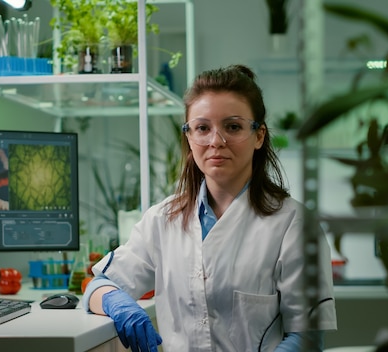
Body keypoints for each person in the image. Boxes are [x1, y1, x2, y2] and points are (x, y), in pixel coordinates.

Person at [82, 64, 337, 351]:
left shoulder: (294, 223)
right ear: (189, 137)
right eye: (202, 128)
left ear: (259, 135)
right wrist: (117, 304)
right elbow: (99, 285)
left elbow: (307, 336)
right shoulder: (162, 220)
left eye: (233, 127)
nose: (216, 141)